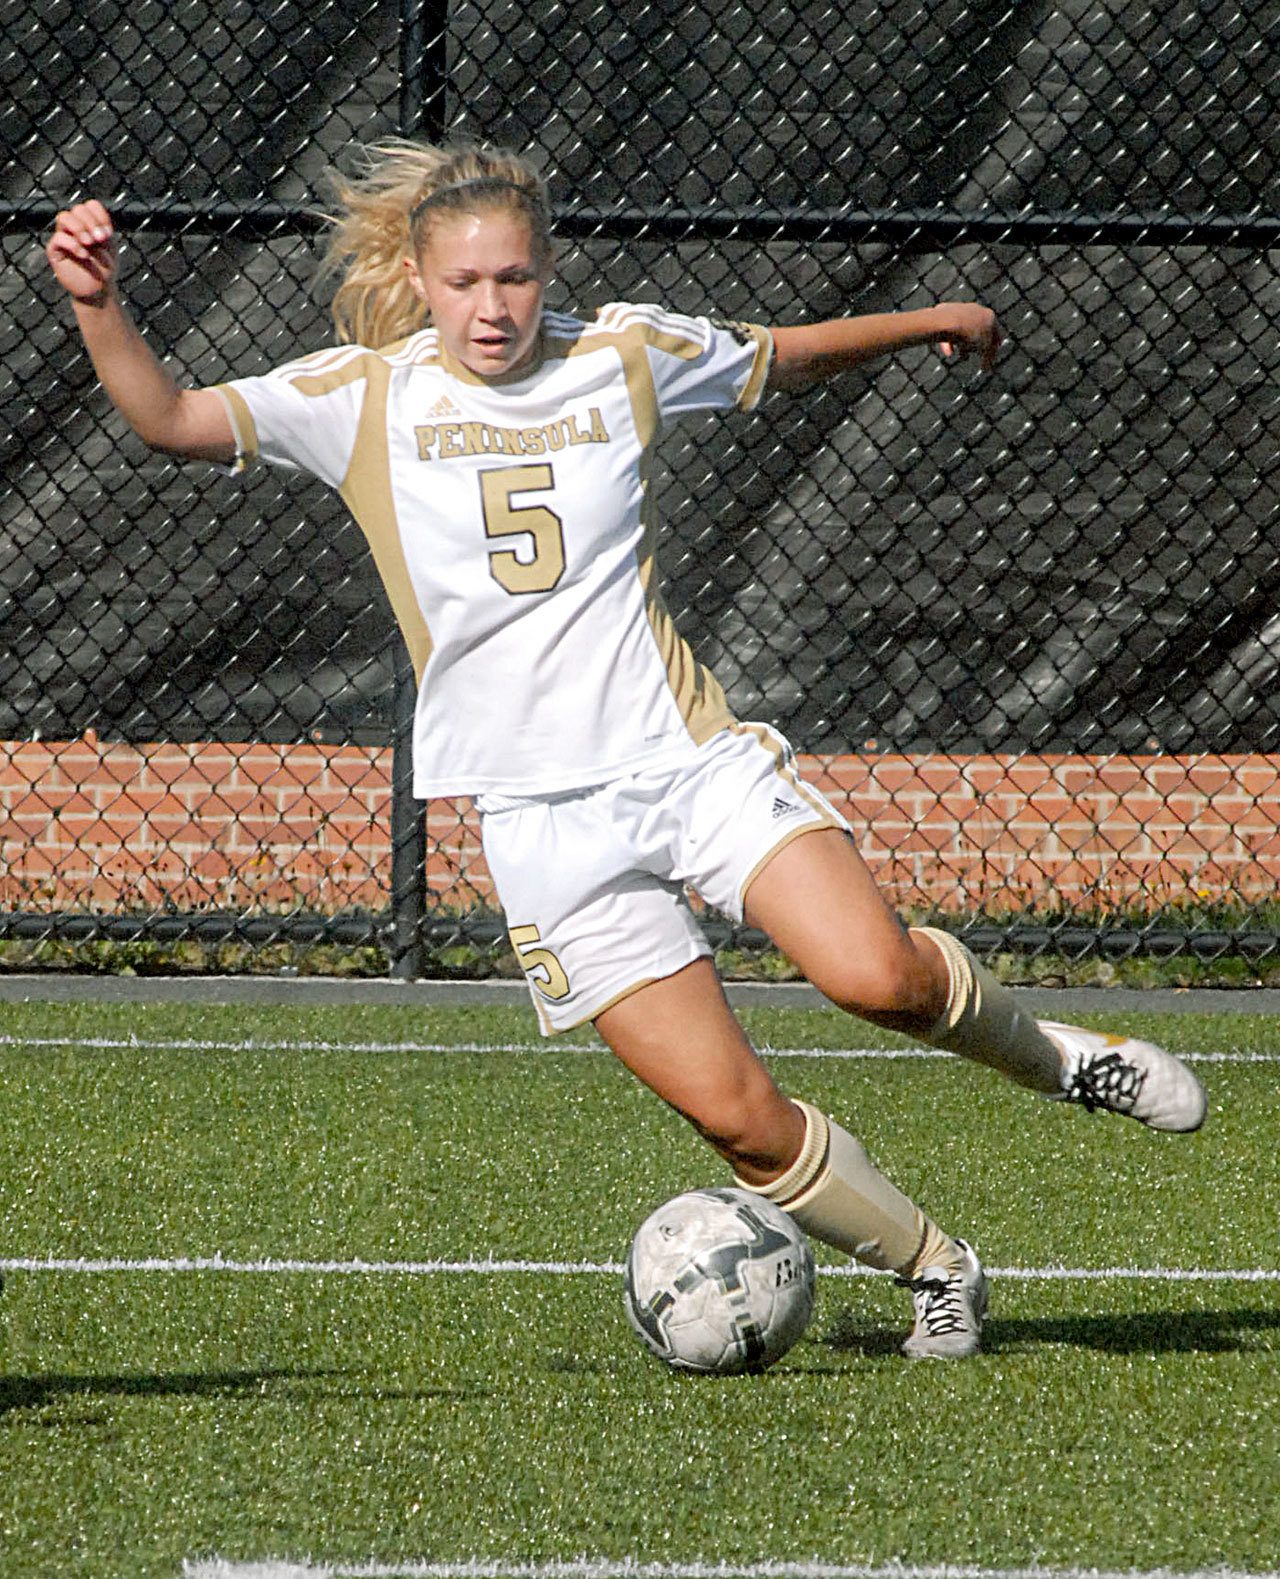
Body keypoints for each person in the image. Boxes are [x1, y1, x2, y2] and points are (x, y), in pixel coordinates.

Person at [46, 139, 1206, 1360]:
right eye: (463, 284)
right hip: (543, 826)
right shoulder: (362, 397)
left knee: (879, 979)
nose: (490, 307)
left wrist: (926, 320)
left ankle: (1068, 1061)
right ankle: (938, 1267)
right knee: (740, 1123)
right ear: (418, 279)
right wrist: (101, 304)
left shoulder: (621, 354)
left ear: (548, 271)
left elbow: (778, 356)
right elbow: (169, 419)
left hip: (685, 759)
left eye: (513, 278)